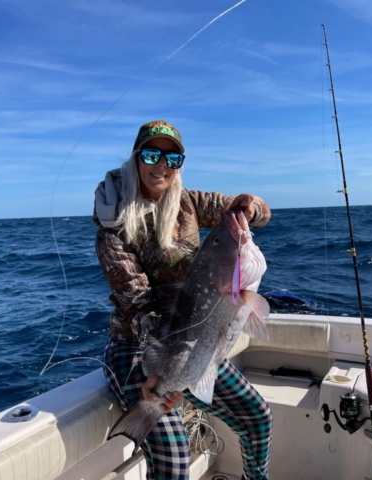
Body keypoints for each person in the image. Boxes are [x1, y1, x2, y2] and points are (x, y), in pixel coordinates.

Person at [93, 120, 273, 480]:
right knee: (175, 459)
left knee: (258, 417)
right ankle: (147, 415)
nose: (161, 165)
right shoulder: (113, 227)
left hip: (195, 336)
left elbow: (256, 212)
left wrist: (251, 206)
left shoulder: (189, 201)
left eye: (172, 158)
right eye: (151, 154)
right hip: (136, 345)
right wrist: (158, 372)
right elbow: (136, 302)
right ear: (135, 158)